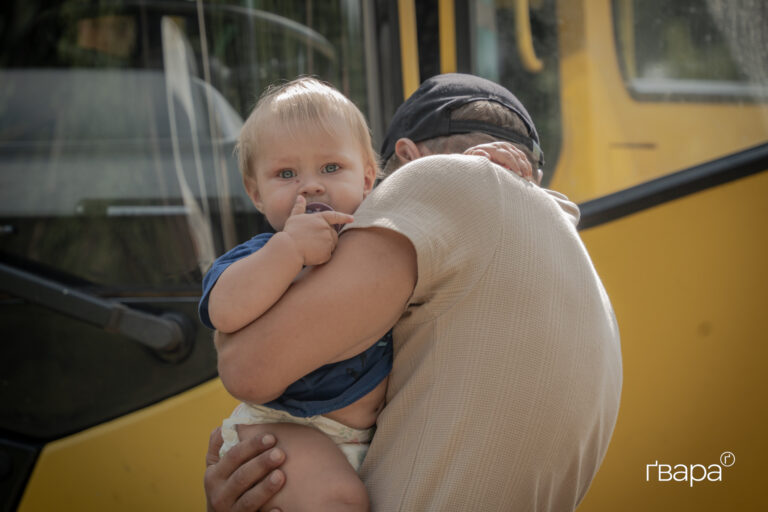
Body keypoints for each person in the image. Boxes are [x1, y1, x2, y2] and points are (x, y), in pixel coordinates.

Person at [205, 73, 623, 512]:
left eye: (335, 169)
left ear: (399, 165)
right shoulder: (581, 276)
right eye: (287, 174)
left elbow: (244, 370)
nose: (317, 189)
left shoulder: (439, 185)